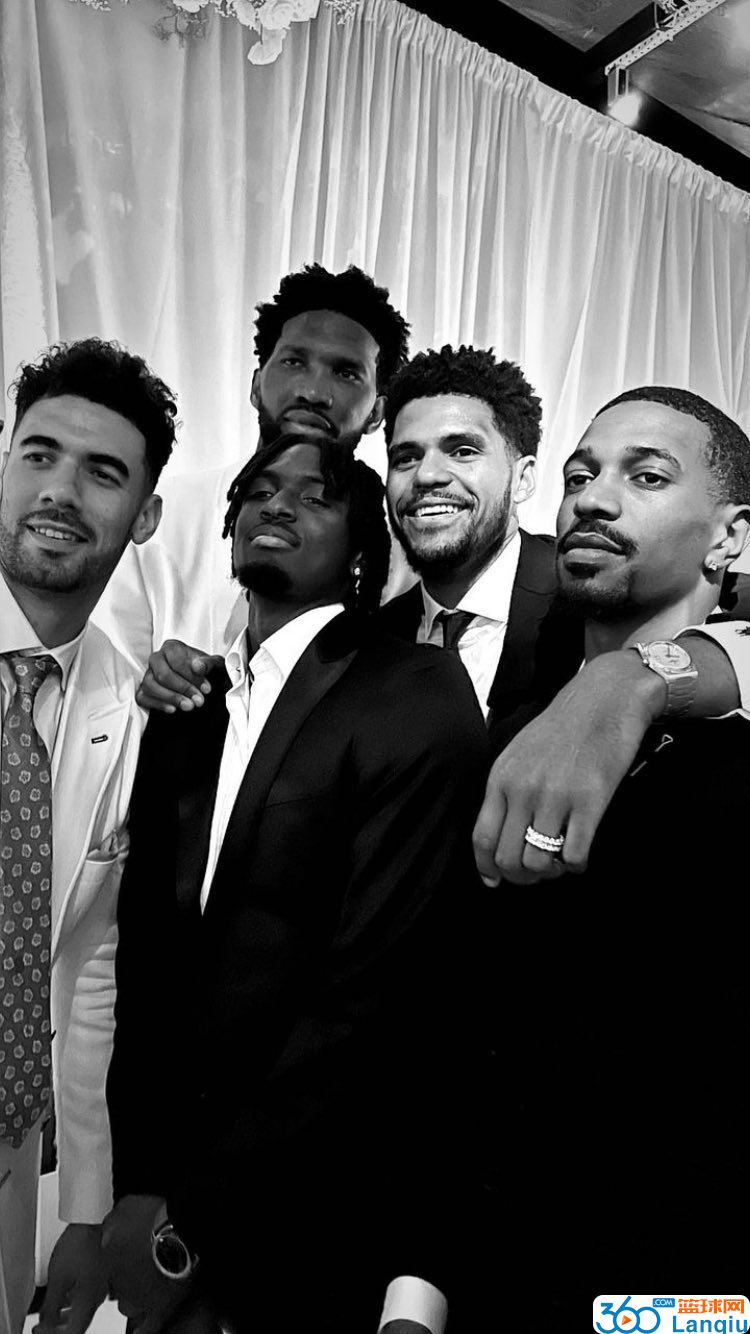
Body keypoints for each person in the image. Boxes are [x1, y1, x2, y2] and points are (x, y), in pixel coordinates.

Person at [103, 433, 489, 1334]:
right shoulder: (187, 707)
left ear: (361, 552)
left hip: (318, 1204)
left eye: (313, 496)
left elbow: (371, 989)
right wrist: (139, 1184)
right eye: (258, 490)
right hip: (167, 1191)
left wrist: (194, 1218)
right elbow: (147, 965)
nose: (274, 504)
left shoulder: (416, 689)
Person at [485, 387, 750, 1285]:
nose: (592, 500)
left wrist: (642, 676)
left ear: (730, 538)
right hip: (498, 1267)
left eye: (647, 477)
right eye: (579, 476)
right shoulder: (512, 732)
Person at [0, 339, 177, 1334]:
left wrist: (83, 1208)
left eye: (103, 472)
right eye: (39, 454)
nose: (60, 491)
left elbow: (93, 968)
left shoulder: (132, 705)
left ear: (144, 514)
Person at [93, 263, 410, 681]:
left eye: (346, 373)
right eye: (294, 361)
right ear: (256, 386)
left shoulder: (396, 551)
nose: (313, 393)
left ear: (377, 412)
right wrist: (155, 686)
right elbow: (106, 681)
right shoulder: (165, 515)